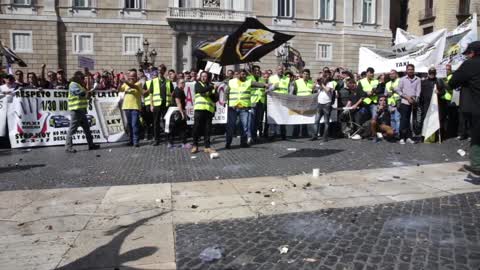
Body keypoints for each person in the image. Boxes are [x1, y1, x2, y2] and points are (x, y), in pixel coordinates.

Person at [449, 41, 480, 176]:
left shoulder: (470, 64)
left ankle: (477, 166)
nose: (467, 56)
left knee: (477, 137)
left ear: (473, 53)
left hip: (477, 108)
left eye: (468, 53)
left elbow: (453, 82)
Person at [226, 69, 267, 149]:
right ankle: (228, 142)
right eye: (241, 74)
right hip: (233, 108)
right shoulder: (231, 82)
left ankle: (243, 142)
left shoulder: (248, 82)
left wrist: (265, 85)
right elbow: (226, 92)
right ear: (238, 75)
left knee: (244, 126)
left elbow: (258, 84)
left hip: (244, 108)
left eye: (244, 74)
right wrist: (225, 100)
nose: (243, 76)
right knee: (231, 126)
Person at [65, 71, 100, 153]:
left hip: (81, 111)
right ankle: (68, 146)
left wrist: (90, 93)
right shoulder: (73, 84)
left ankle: (91, 145)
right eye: (82, 78)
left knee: (87, 129)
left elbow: (86, 97)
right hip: (76, 110)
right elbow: (79, 93)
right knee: (72, 129)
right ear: (77, 77)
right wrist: (87, 92)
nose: (83, 80)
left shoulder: (80, 85)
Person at [147, 65, 174, 146]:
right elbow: (151, 94)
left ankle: (168, 139)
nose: (159, 72)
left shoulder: (168, 82)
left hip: (166, 105)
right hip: (157, 105)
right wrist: (151, 105)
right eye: (158, 70)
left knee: (167, 122)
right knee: (156, 123)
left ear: (164, 71)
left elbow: (172, 93)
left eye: (161, 70)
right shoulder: (154, 81)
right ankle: (156, 139)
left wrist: (171, 103)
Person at [192, 71, 217, 154]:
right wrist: (211, 87)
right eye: (202, 76)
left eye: (205, 76)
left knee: (207, 129)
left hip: (208, 110)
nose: (203, 77)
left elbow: (215, 99)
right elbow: (201, 90)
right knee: (196, 128)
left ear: (208, 77)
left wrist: (215, 90)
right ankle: (195, 145)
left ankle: (207, 147)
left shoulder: (210, 86)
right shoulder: (198, 84)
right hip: (199, 109)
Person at [395, 64, 421, 145]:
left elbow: (418, 91)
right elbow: (398, 90)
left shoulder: (418, 79)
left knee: (411, 120)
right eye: (409, 69)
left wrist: (415, 99)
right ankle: (402, 137)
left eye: (412, 69)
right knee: (404, 120)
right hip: (405, 102)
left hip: (414, 102)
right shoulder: (402, 79)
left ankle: (409, 137)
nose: (410, 71)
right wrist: (407, 98)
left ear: (414, 70)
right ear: (406, 70)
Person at [118, 69, 144, 147]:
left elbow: (133, 86)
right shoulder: (126, 84)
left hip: (135, 107)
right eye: (130, 77)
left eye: (133, 77)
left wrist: (125, 81)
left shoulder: (139, 83)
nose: (132, 78)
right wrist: (120, 83)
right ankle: (131, 140)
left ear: (136, 77)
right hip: (126, 107)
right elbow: (119, 90)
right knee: (129, 125)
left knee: (134, 124)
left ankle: (136, 141)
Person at [419, 67, 446, 141]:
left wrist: (439, 92)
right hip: (426, 104)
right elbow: (420, 93)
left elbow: (444, 92)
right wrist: (420, 104)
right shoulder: (423, 82)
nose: (432, 75)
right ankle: (425, 136)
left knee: (436, 119)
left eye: (433, 73)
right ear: (428, 73)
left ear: (435, 73)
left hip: (436, 104)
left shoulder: (439, 81)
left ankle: (436, 136)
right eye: (430, 73)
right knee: (426, 119)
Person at [311, 69, 334, 141]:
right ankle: (315, 135)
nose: (324, 76)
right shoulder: (321, 82)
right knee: (316, 120)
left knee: (326, 121)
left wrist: (321, 84)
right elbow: (312, 88)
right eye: (324, 75)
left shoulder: (330, 83)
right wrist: (316, 81)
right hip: (319, 103)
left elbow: (327, 90)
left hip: (327, 104)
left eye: (326, 75)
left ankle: (325, 137)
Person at [268, 65, 289, 140]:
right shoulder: (271, 78)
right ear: (276, 70)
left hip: (283, 101)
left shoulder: (287, 78)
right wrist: (273, 87)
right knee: (274, 116)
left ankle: (283, 134)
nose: (281, 70)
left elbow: (288, 90)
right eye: (279, 69)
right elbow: (268, 89)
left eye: (282, 69)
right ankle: (273, 133)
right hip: (274, 101)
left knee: (283, 117)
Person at [292, 69, 314, 138]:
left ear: (309, 75)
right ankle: (295, 133)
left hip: (308, 103)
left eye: (307, 74)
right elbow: (294, 92)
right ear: (302, 74)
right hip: (299, 102)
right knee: (297, 118)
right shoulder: (297, 82)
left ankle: (305, 133)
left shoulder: (311, 82)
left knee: (305, 118)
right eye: (304, 74)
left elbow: (313, 92)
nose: (306, 75)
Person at [168, 79, 190, 148]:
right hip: (177, 111)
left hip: (175, 111)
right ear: (178, 84)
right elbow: (178, 103)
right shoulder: (178, 91)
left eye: (184, 82)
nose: (183, 84)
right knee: (182, 128)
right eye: (182, 83)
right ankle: (184, 143)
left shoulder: (178, 90)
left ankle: (170, 143)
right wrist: (182, 113)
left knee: (173, 128)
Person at [248, 65, 266, 142]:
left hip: (260, 102)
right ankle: (249, 136)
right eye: (255, 70)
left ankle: (254, 136)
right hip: (252, 102)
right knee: (251, 121)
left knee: (258, 121)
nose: (257, 71)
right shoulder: (249, 78)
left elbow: (263, 89)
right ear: (252, 71)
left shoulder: (262, 79)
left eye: (258, 70)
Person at [142, 68, 157, 140]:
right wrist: (149, 89)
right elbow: (143, 93)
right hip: (148, 104)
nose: (154, 76)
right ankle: (147, 134)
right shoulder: (147, 83)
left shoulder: (159, 82)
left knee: (155, 121)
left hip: (157, 104)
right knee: (147, 121)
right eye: (153, 75)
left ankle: (154, 135)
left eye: (156, 75)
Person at [385, 70, 401, 137]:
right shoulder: (387, 83)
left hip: (398, 102)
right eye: (390, 74)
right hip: (390, 103)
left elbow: (402, 91)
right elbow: (385, 93)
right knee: (392, 119)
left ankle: (398, 134)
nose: (391, 75)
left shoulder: (400, 81)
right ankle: (393, 133)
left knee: (397, 119)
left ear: (396, 74)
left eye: (393, 74)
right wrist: (387, 94)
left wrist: (395, 91)